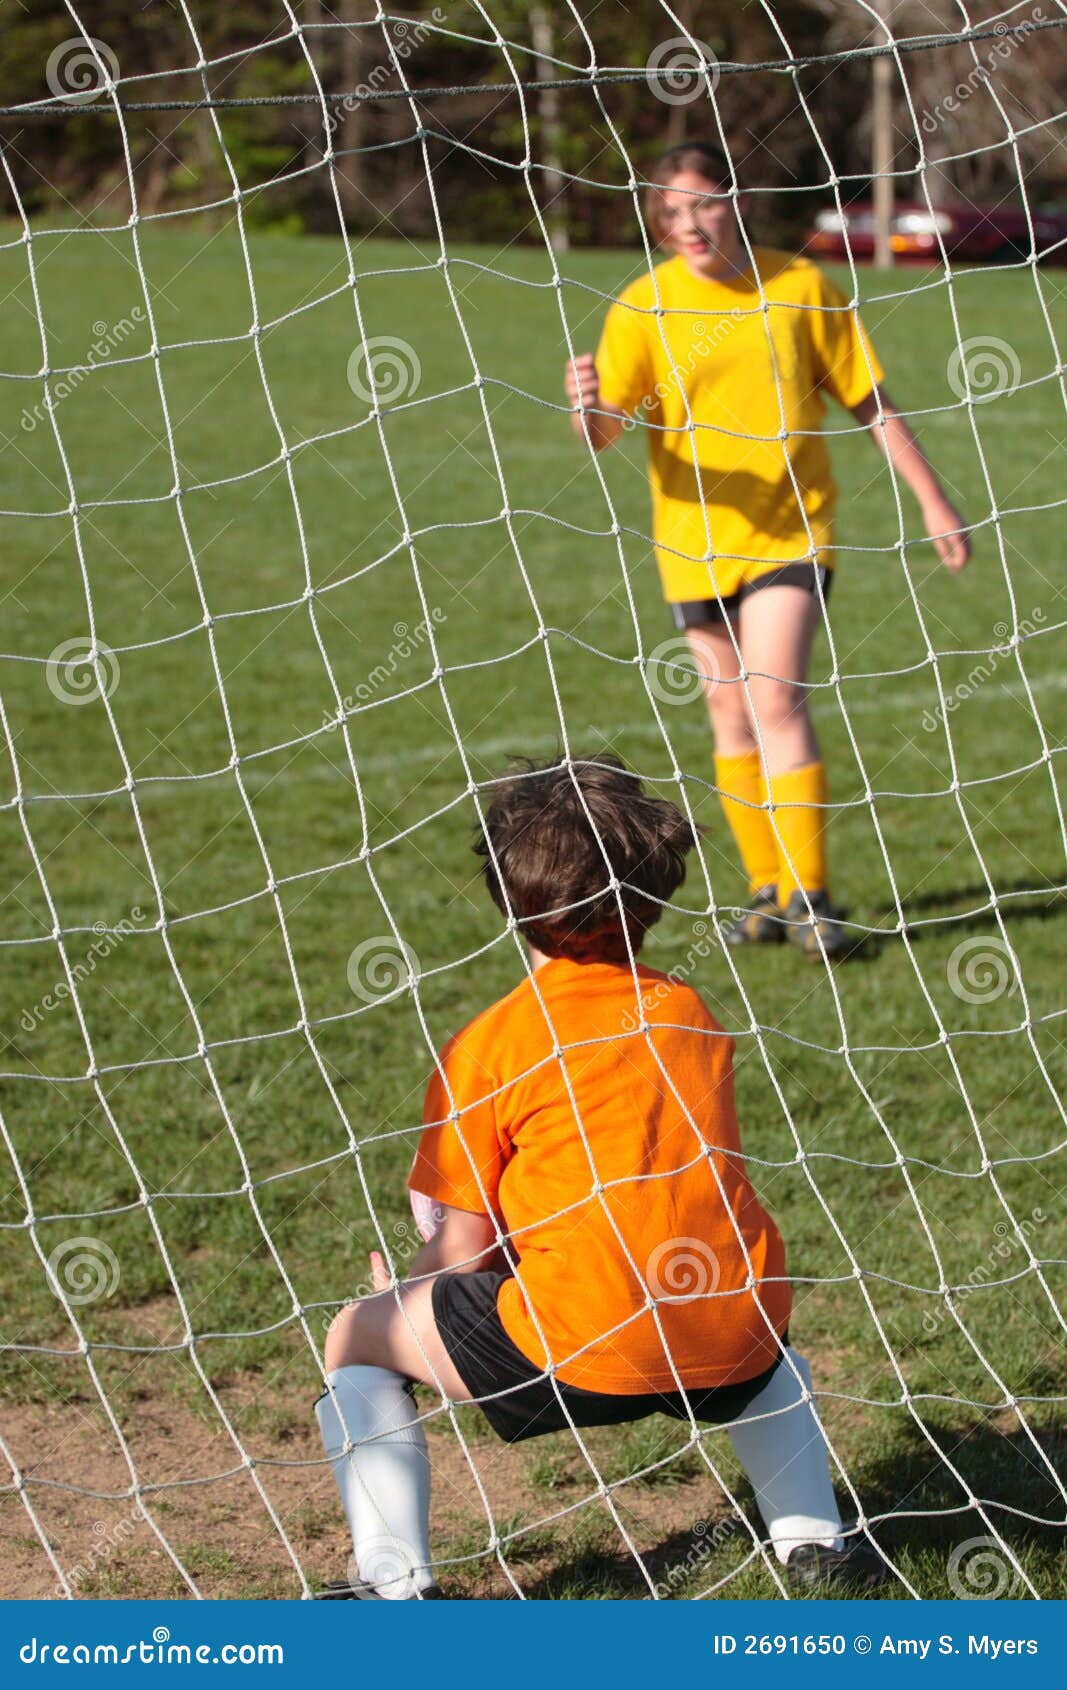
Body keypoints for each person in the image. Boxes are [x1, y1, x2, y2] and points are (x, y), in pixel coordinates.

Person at [314, 755, 888, 1597]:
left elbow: (465, 1252)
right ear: (653, 892)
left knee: (355, 1340)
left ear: (507, 897)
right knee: (768, 1355)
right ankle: (814, 1541)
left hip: (583, 1344)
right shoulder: (691, 1013)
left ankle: (394, 1590)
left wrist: (404, 1293)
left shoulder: (491, 1044)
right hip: (729, 1327)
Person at [565, 142, 971, 959]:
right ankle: (765, 895)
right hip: (689, 539)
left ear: (734, 201)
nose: (688, 224)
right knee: (729, 710)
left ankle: (811, 896)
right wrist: (585, 407)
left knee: (775, 694)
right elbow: (607, 432)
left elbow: (869, 402)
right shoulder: (642, 305)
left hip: (793, 530)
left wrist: (932, 499)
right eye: (671, 212)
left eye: (703, 204)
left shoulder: (799, 286)